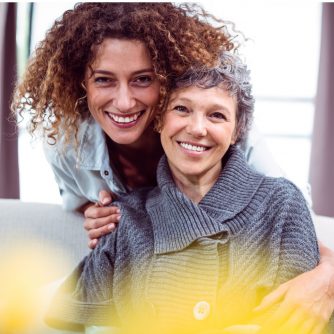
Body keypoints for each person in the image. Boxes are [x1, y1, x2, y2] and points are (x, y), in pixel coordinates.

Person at [11, 2, 334, 331]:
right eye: (105, 79)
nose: (123, 102)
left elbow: (293, 219)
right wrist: (100, 214)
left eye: (142, 79)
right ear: (82, 82)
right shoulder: (68, 149)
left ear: (163, 85)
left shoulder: (258, 171)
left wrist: (328, 272)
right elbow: (81, 204)